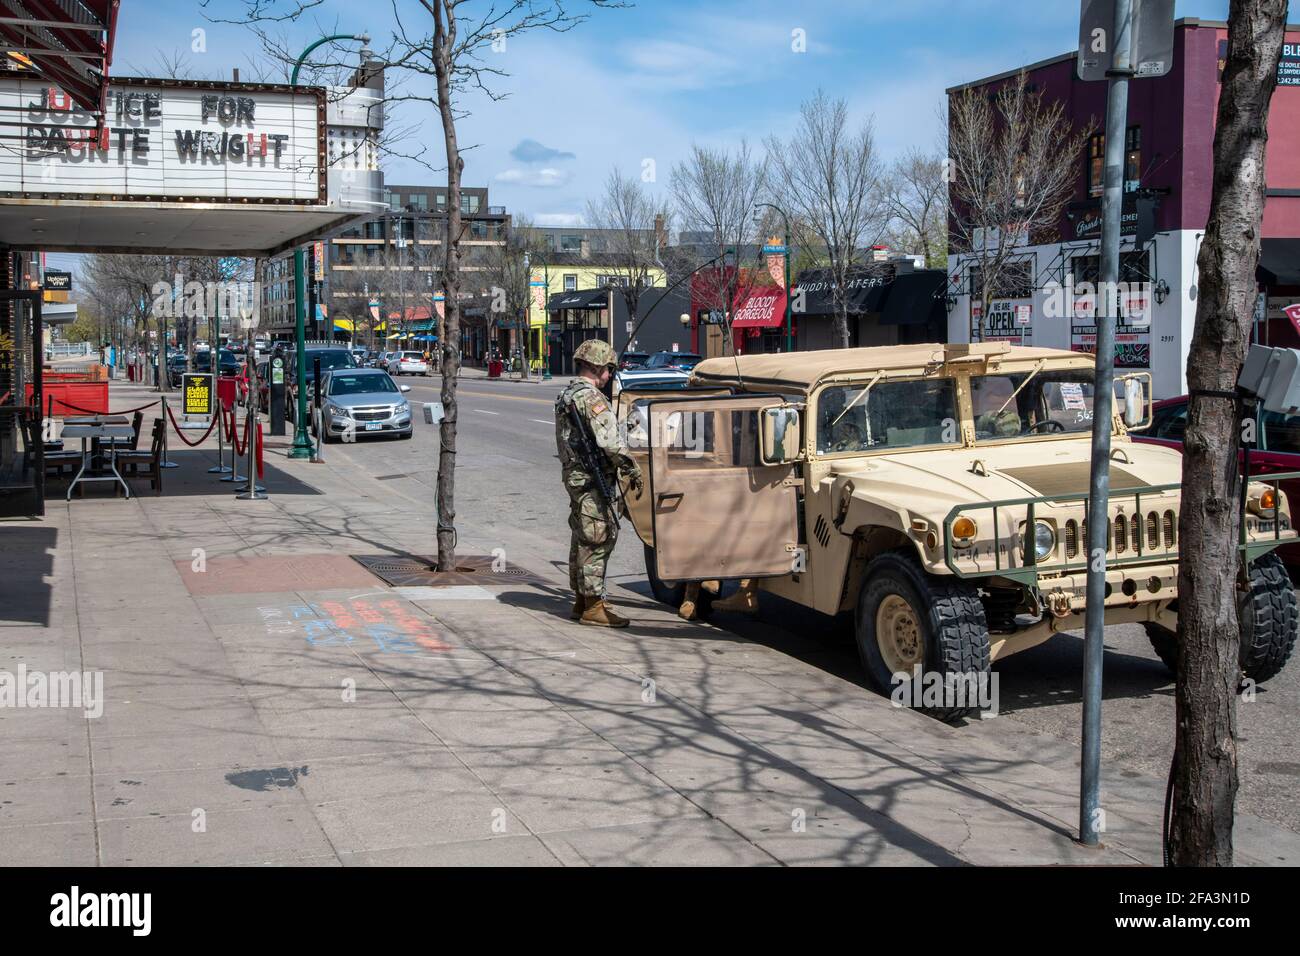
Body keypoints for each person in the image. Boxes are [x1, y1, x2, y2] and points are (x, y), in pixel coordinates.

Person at [555, 339, 644, 627]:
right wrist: (632, 468)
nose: (610, 375)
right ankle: (594, 606)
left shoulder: (568, 394)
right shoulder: (590, 398)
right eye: (608, 369)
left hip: (577, 477)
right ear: (595, 366)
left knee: (583, 535)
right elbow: (611, 442)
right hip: (592, 479)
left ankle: (582, 600)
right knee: (599, 537)